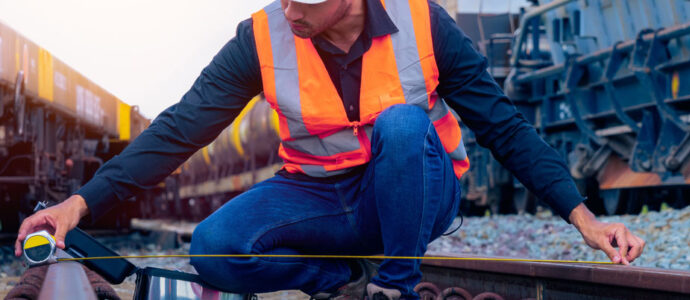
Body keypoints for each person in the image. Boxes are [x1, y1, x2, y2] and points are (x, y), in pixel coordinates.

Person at [14, 0, 645, 299]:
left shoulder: (424, 24)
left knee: (400, 124)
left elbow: (503, 126)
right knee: (212, 249)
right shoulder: (262, 36)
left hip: (414, 189)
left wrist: (583, 218)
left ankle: (396, 289)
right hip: (319, 194)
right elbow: (181, 128)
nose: (287, 8)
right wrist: (79, 203)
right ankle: (343, 281)